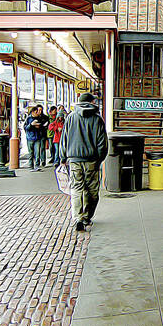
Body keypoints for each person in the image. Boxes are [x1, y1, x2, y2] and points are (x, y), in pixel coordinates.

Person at [59, 93, 108, 232]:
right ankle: (87, 216)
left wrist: (63, 158)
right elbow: (102, 142)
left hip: (74, 160)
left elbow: (65, 139)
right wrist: (100, 159)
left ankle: (78, 217)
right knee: (92, 190)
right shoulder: (97, 119)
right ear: (91, 102)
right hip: (92, 160)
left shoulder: (70, 118)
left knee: (77, 188)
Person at [24, 106, 43, 172]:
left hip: (37, 137)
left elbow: (42, 127)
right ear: (32, 112)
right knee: (31, 153)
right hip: (30, 138)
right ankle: (31, 166)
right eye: (36, 112)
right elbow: (26, 128)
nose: (37, 113)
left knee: (37, 153)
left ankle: (37, 166)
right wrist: (31, 124)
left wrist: (40, 126)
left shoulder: (39, 118)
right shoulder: (28, 118)